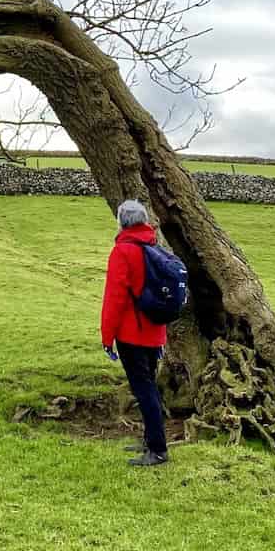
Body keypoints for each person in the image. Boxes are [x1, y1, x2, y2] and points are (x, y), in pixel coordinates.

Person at [100, 198, 170, 466]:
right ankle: (150, 440)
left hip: (132, 334)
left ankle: (158, 450)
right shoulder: (153, 245)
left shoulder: (123, 252)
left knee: (144, 390)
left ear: (121, 222)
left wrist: (107, 337)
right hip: (155, 331)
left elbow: (115, 298)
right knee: (149, 386)